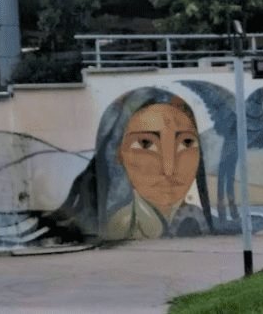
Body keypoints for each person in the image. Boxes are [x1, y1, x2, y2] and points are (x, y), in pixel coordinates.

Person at [43, 87, 213, 242]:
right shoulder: (120, 224)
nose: (169, 169)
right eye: (146, 144)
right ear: (116, 154)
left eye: (187, 143)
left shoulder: (198, 217)